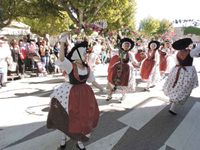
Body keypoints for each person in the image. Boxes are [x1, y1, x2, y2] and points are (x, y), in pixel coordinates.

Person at [47, 36, 100, 150]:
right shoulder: (71, 66)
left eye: (86, 53)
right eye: (85, 53)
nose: (87, 55)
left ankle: (79, 141)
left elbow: (92, 81)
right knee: (68, 117)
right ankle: (63, 137)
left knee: (83, 118)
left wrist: (102, 89)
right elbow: (61, 58)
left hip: (85, 95)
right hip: (71, 94)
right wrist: (62, 42)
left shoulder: (87, 68)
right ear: (78, 55)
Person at [163, 38, 200, 115]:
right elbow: (197, 51)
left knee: (177, 86)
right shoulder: (190, 52)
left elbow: (177, 62)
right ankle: (173, 104)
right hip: (186, 72)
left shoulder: (177, 53)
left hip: (177, 70)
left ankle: (173, 103)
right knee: (183, 88)